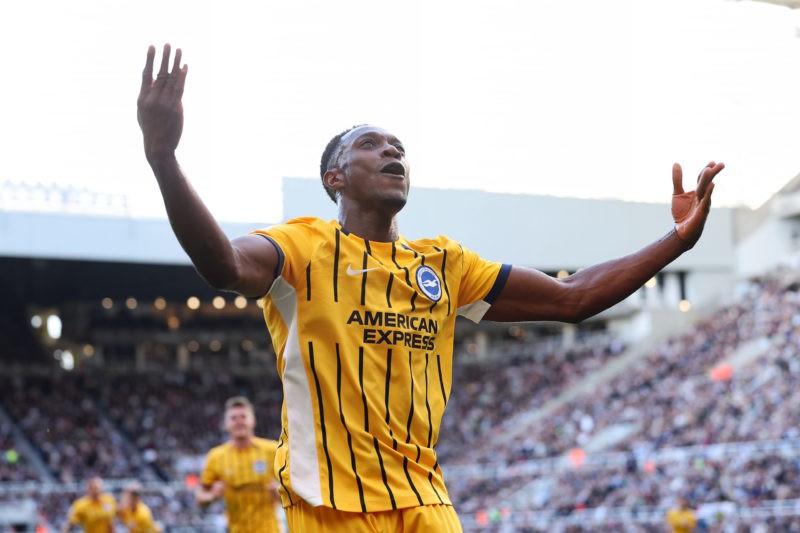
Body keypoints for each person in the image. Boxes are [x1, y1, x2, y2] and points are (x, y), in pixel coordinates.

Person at [137, 44, 724, 532]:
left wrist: (674, 242)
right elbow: (221, 265)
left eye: (398, 148)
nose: (391, 151)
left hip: (425, 501)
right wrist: (164, 157)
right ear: (334, 178)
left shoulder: (444, 264)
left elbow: (573, 298)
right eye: (370, 144)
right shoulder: (302, 248)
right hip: (329, 507)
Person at [195, 396, 281, 533]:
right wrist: (211, 496)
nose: (239, 421)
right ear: (226, 424)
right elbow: (200, 497)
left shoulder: (272, 450)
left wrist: (280, 492)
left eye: (243, 417)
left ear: (253, 421)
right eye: (233, 418)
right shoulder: (216, 456)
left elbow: (292, 490)